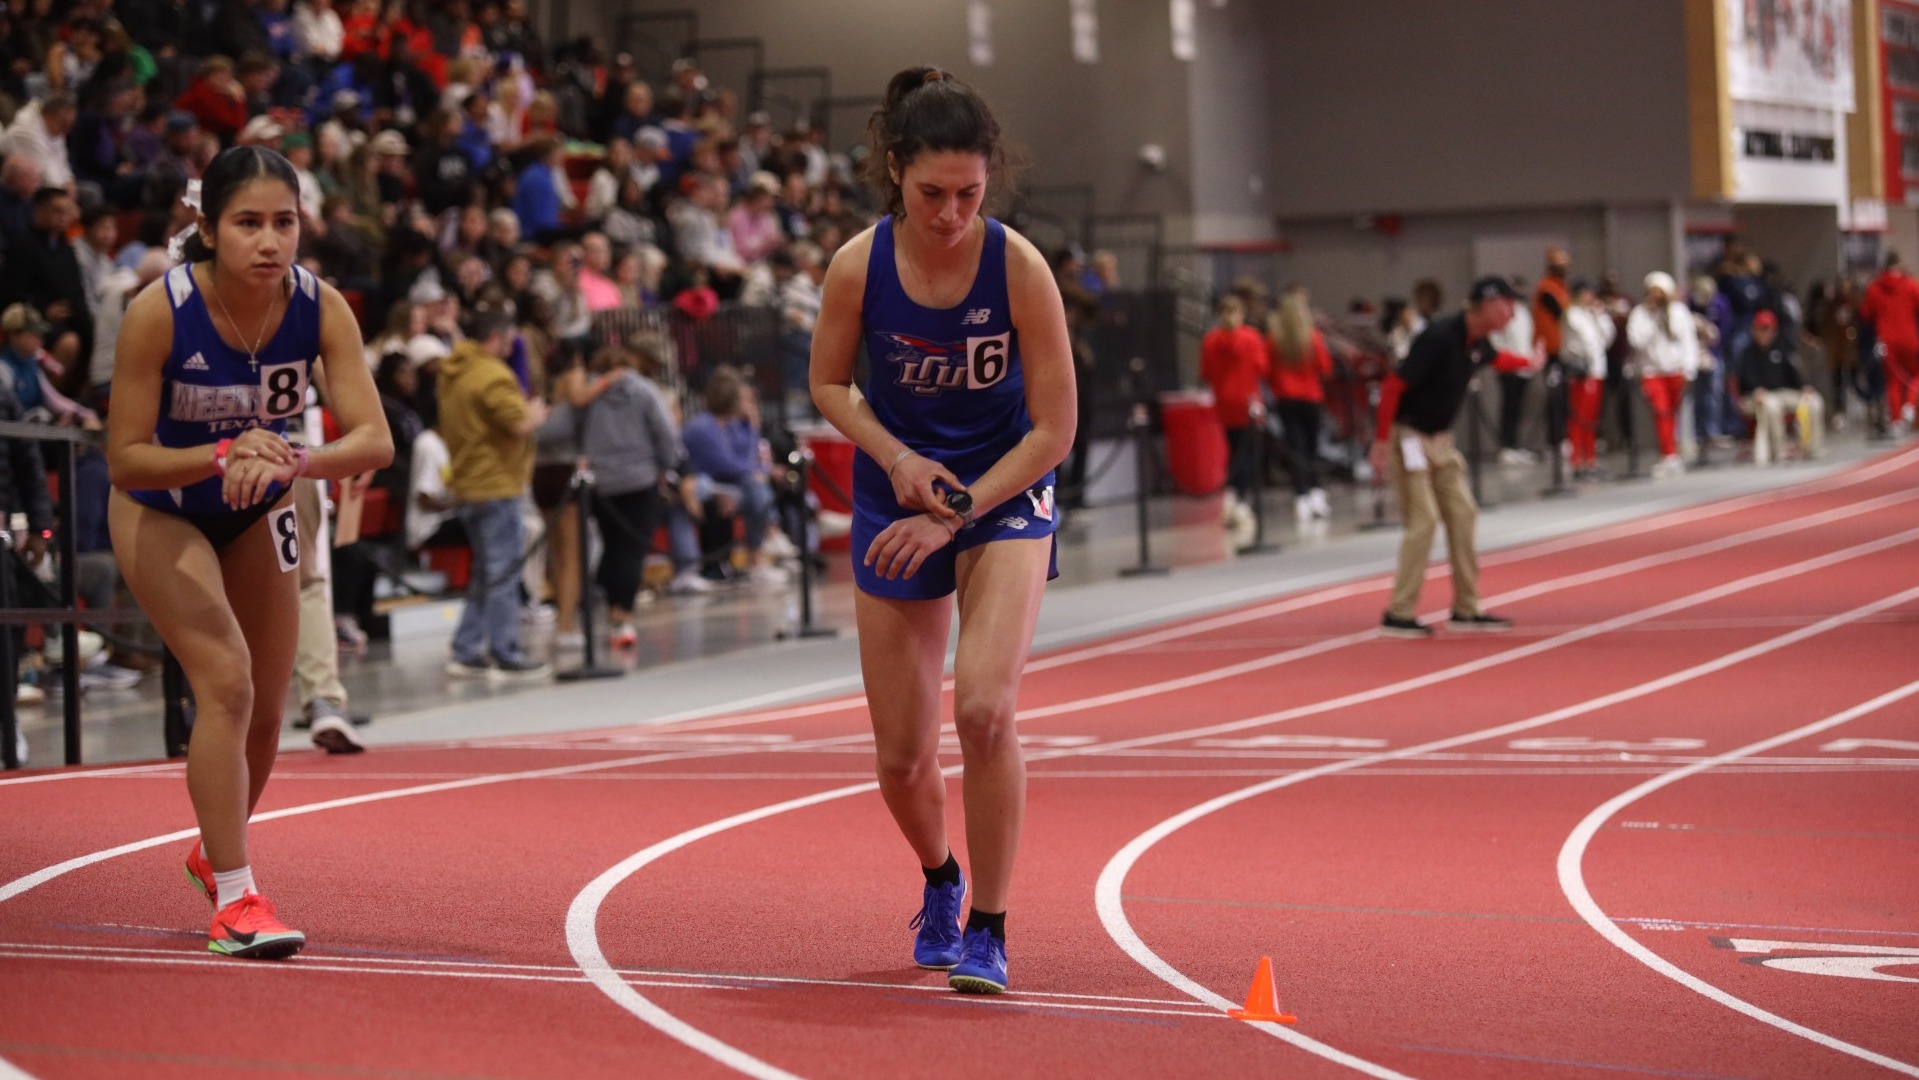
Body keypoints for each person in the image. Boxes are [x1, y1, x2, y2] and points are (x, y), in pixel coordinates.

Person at [809, 66, 1075, 995]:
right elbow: (828, 386)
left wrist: (958, 510)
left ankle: (991, 927)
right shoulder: (858, 265)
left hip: (1003, 491)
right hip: (898, 491)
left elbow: (1055, 428)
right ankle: (939, 879)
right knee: (901, 755)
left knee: (984, 711)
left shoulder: (1017, 267)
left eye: (968, 193)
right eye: (931, 194)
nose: (951, 213)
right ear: (893, 170)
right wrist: (897, 461)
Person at [105, 146, 392, 959]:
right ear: (208, 228)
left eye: (284, 223)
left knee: (267, 712)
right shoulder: (157, 312)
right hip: (163, 505)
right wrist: (224, 453)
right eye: (248, 224)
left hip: (265, 506)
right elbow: (123, 456)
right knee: (225, 682)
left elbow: (376, 439)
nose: (269, 241)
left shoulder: (320, 305)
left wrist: (295, 459)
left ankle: (212, 848)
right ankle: (236, 899)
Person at [1368, 277, 1523, 639]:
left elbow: (1496, 358)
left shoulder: (1476, 342)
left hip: (1441, 441)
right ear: (1485, 305)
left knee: (1463, 513)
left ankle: (1467, 608)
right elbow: (1394, 386)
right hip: (1409, 437)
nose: (1512, 313)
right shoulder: (1438, 338)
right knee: (1423, 522)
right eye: (1506, 304)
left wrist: (1529, 360)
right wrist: (1379, 441)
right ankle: (1398, 612)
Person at [437, 308, 551, 680]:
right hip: (496, 484)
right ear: (496, 338)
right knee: (502, 573)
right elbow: (517, 423)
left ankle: (467, 648)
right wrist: (535, 412)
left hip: (468, 481)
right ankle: (505, 650)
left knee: (486, 573)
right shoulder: (492, 375)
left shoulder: (454, 373)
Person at [1198, 293, 1267, 531]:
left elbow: (1205, 372)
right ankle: (1242, 498)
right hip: (1248, 402)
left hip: (1224, 403)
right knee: (1248, 453)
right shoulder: (1251, 338)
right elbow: (1262, 367)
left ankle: (1233, 496)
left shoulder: (1210, 340)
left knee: (1233, 450)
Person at [1267, 285, 1335, 523]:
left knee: (1295, 447)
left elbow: (1268, 371)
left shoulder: (1275, 339)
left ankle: (1301, 496)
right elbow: (1325, 367)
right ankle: (1316, 492)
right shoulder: (1312, 337)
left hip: (1286, 398)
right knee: (1313, 446)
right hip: (1310, 398)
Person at [1626, 271, 1701, 478]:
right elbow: (1636, 342)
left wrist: (1689, 369)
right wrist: (1653, 320)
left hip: (1675, 370)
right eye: (1653, 292)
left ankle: (1670, 454)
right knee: (1661, 412)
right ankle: (1668, 454)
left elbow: (1689, 341)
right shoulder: (1640, 314)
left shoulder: (1679, 311)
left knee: (1672, 413)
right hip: (1652, 371)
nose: (1657, 297)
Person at [1735, 310, 1824, 464]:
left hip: (1783, 393)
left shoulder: (1782, 349)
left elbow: (1793, 375)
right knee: (1771, 405)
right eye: (1762, 329)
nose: (1765, 333)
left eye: (1768, 329)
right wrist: (1756, 390)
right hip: (1754, 398)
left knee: (1814, 401)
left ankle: (1812, 448)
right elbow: (1745, 381)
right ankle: (1780, 451)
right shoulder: (1747, 353)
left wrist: (1803, 387)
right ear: (1754, 330)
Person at [1559, 278, 1614, 480]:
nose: (1591, 297)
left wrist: (1600, 316)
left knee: (1592, 417)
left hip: (1596, 371)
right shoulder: (1572, 314)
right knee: (1579, 416)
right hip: (1581, 372)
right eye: (1587, 293)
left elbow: (1607, 338)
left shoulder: (1592, 314)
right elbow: (1586, 341)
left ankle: (1590, 459)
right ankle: (1576, 460)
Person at [1860, 251, 1919, 433]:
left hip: (1886, 341)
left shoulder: (1874, 288)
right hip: (1909, 339)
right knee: (1915, 374)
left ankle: (1896, 420)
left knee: (1892, 381)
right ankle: (1909, 405)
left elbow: (1866, 314)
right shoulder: (1911, 285)